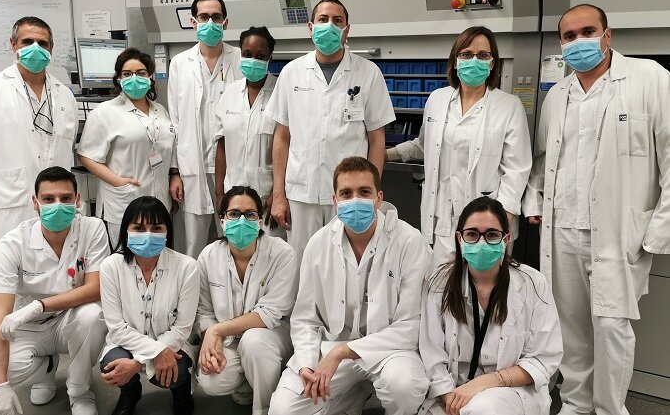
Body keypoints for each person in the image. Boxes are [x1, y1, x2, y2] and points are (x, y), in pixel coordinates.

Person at [523, 3, 670, 415]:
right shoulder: (558, 95)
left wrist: (660, 226)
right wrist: (535, 199)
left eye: (587, 32)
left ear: (607, 35)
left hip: (618, 231)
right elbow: (543, 159)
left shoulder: (649, 78)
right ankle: (575, 403)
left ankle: (608, 409)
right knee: (569, 325)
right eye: (569, 36)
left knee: (611, 327)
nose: (578, 42)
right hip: (562, 229)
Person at [269, 156, 430, 415]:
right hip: (333, 344)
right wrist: (306, 364)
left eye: (364, 192)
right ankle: (355, 397)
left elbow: (412, 325)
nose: (355, 200)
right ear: (335, 201)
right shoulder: (319, 244)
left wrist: (343, 352)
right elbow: (305, 318)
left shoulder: (409, 241)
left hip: (389, 350)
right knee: (283, 410)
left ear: (378, 198)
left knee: (405, 386)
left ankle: (369, 396)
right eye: (346, 193)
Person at [386, 26, 531, 268]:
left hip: (487, 222)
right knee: (439, 285)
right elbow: (424, 145)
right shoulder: (437, 99)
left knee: (483, 287)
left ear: (492, 63)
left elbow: (517, 169)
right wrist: (386, 154)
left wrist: (501, 221)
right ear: (455, 61)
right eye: (466, 54)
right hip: (440, 219)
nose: (474, 61)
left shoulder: (509, 106)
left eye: (483, 55)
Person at [268, 0, 395, 261]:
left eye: (337, 21)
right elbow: (282, 137)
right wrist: (278, 194)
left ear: (347, 30)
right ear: (310, 27)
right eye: (323, 19)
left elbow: (377, 138)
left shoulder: (368, 73)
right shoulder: (292, 72)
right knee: (303, 263)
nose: (329, 26)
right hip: (302, 193)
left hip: (350, 195)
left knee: (349, 262)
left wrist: (370, 193)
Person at [0, 166, 110, 415]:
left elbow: (96, 289)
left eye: (65, 198)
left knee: (93, 316)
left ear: (78, 201)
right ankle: (47, 367)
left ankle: (79, 392)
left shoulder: (93, 229)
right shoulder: (12, 244)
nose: (57, 205)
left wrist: (39, 305)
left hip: (70, 317)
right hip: (28, 324)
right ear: (35, 203)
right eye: (48, 199)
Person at [419, 196, 562, 415]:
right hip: (452, 393)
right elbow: (432, 354)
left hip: (509, 392)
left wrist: (483, 383)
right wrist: (451, 399)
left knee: (484, 408)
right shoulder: (439, 283)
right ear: (459, 238)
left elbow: (543, 359)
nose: (481, 243)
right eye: (472, 234)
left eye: (492, 235)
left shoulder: (533, 283)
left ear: (506, 239)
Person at [0, 16, 78, 267]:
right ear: (13, 44)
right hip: (11, 204)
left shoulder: (64, 95)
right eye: (27, 41)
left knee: (58, 272)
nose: (35, 48)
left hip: (56, 207)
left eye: (43, 43)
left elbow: (68, 143)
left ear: (51, 48)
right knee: (12, 274)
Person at [196, 186, 298, 415]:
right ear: (222, 220)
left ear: (260, 221)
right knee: (211, 380)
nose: (241, 220)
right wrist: (211, 340)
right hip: (229, 340)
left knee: (254, 343)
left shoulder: (281, 253)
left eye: (250, 214)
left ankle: (266, 408)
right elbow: (203, 311)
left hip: (272, 336)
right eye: (234, 214)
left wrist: (217, 331)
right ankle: (250, 380)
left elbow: (271, 313)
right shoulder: (209, 256)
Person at [99, 196, 200, 415]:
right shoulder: (110, 267)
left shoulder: (187, 267)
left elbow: (182, 329)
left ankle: (181, 392)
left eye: (156, 228)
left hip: (172, 345)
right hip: (126, 343)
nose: (147, 235)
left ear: (167, 231)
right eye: (138, 228)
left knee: (177, 369)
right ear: (126, 231)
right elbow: (116, 328)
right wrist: (155, 353)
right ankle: (130, 392)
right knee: (112, 365)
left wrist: (137, 364)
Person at [78, 48, 180, 248]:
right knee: (125, 257)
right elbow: (86, 155)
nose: (134, 78)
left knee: (157, 255)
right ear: (119, 79)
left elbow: (171, 145)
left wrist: (174, 174)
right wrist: (117, 181)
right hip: (124, 199)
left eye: (140, 73)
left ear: (150, 77)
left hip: (160, 199)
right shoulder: (105, 112)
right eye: (127, 74)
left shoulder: (160, 110)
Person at [168, 0, 243, 258]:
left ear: (225, 22)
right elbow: (175, 122)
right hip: (193, 168)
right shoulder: (180, 64)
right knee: (193, 246)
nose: (210, 22)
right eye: (203, 17)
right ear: (193, 22)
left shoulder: (240, 59)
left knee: (235, 238)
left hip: (231, 165)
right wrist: (174, 172)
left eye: (216, 17)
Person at [214, 26, 284, 237]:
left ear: (270, 57)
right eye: (247, 54)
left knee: (269, 252)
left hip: (267, 200)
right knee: (235, 250)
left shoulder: (281, 92)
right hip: (232, 198)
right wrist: (219, 192)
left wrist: (278, 194)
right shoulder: (229, 93)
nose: (253, 60)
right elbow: (222, 145)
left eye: (260, 56)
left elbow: (289, 147)